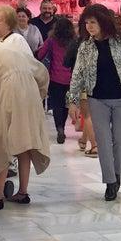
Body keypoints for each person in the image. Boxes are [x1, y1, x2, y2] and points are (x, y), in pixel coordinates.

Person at [68, 5, 121, 201]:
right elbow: (77, 74)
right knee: (103, 142)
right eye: (86, 22)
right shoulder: (85, 47)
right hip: (97, 99)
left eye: (93, 22)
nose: (89, 26)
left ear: (103, 21)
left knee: (120, 141)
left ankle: (117, 173)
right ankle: (110, 182)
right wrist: (72, 100)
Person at [0, 32, 51, 210]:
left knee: (1, 143)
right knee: (25, 143)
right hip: (30, 93)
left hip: (11, 92)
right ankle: (22, 192)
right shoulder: (12, 49)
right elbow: (42, 72)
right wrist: (39, 94)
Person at [37, 16, 76, 145]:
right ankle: (63, 126)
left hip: (54, 77)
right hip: (70, 77)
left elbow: (41, 54)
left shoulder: (52, 40)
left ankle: (59, 128)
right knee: (65, 104)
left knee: (57, 105)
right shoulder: (74, 41)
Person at [63, 16, 97, 157]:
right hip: (97, 84)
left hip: (83, 83)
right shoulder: (98, 42)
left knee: (87, 115)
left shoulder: (78, 42)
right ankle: (83, 140)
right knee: (90, 114)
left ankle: (94, 146)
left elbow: (66, 61)